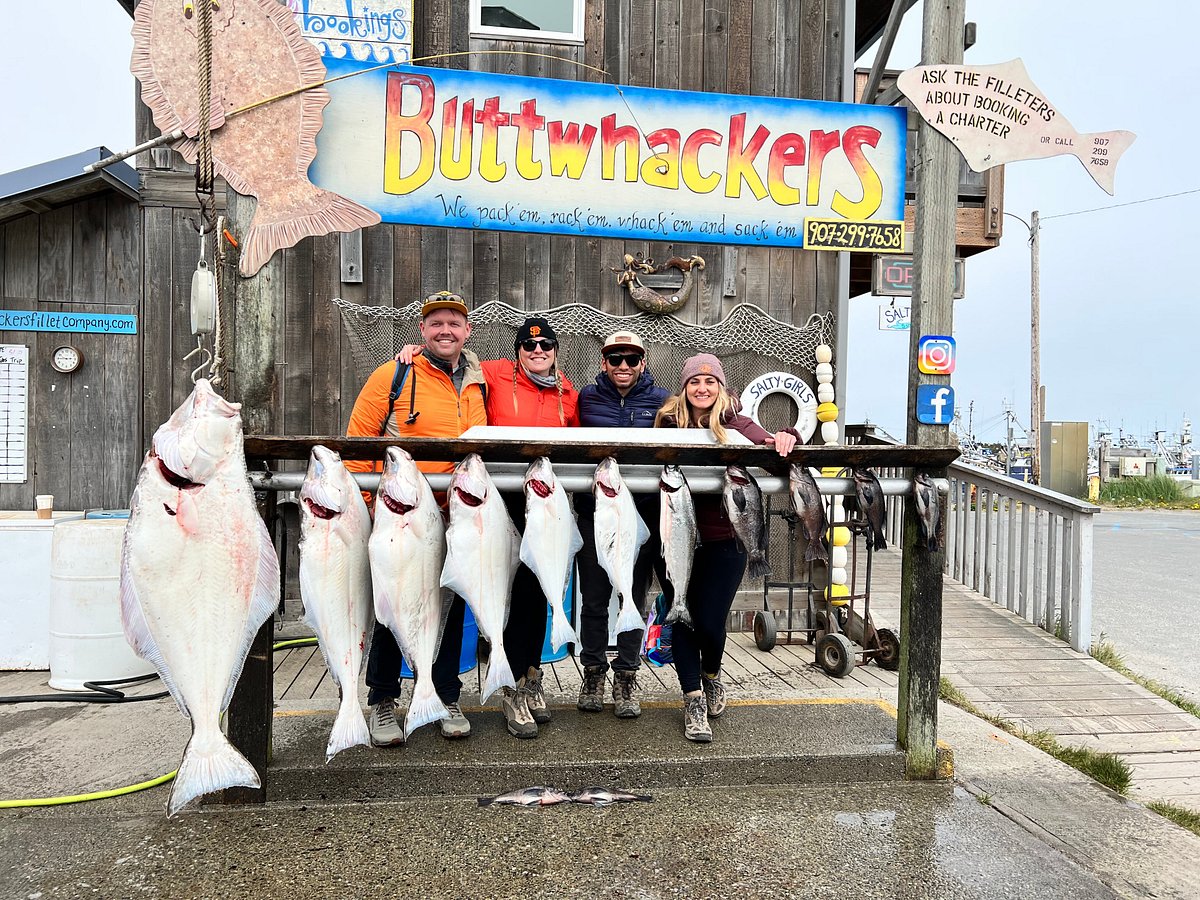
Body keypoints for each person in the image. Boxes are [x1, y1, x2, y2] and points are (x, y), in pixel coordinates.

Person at [397, 317, 579, 739]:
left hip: (544, 501)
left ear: (555, 350)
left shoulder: (568, 393)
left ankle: (530, 677)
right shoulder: (491, 373)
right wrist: (413, 353)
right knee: (503, 592)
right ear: (517, 351)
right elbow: (452, 360)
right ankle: (509, 686)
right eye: (529, 346)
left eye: (546, 346)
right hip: (497, 501)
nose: (538, 352)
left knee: (536, 596)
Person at [345, 290, 487, 747]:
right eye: (436, 323)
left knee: (450, 607)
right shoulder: (394, 373)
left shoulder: (479, 380)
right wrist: (370, 507)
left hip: (458, 517)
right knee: (392, 605)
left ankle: (444, 694)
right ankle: (383, 699)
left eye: (454, 323)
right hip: (401, 520)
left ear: (467, 331)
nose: (446, 331)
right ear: (422, 330)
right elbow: (358, 441)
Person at [654, 353, 798, 742]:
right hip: (675, 538)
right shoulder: (667, 423)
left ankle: (713, 675)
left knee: (712, 623)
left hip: (724, 539)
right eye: (694, 382)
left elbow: (775, 458)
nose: (702, 389)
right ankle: (693, 698)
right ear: (684, 388)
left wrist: (787, 437)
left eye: (710, 382)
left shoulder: (737, 423)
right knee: (680, 615)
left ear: (720, 387)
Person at [574, 331, 670, 718]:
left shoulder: (662, 400)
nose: (624, 366)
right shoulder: (585, 397)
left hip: (642, 515)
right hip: (595, 513)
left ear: (643, 363)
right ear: (604, 362)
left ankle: (627, 675)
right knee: (594, 600)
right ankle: (593, 671)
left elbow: (709, 413)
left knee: (632, 597)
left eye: (632, 359)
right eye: (616, 359)